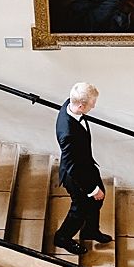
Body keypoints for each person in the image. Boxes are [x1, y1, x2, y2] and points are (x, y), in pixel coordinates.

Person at [53, 82, 111, 255]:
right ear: (81, 105)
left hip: (85, 166)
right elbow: (73, 168)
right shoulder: (68, 134)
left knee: (99, 199)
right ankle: (62, 237)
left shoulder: (69, 104)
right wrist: (92, 190)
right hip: (76, 175)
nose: (94, 105)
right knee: (80, 208)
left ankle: (90, 230)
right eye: (92, 103)